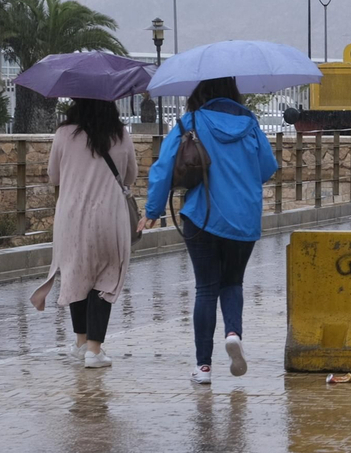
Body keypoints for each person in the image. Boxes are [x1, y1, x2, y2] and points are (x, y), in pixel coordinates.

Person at [141, 77, 277, 385]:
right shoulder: (250, 124)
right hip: (243, 219)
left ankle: (203, 367)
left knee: (205, 288)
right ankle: (233, 333)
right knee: (232, 282)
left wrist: (152, 211)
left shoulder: (191, 122)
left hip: (202, 216)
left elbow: (163, 169)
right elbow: (268, 167)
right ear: (232, 93)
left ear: (200, 92)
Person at [30, 98, 137, 370]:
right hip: (110, 218)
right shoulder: (120, 134)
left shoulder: (64, 134)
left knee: (77, 275)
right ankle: (94, 350)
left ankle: (81, 343)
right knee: (106, 280)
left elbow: (54, 176)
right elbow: (130, 176)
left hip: (72, 217)